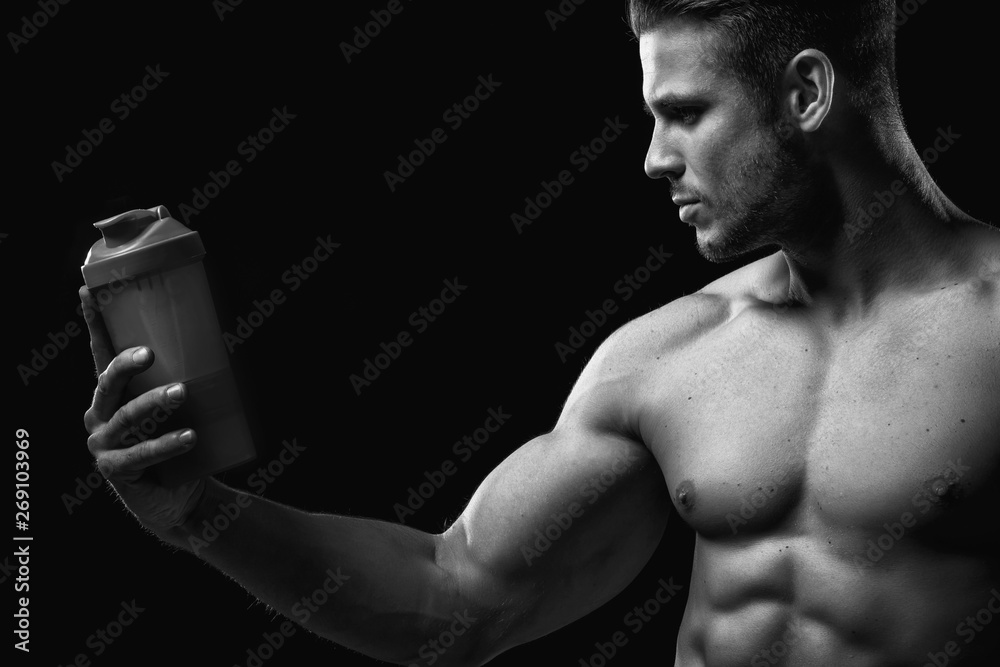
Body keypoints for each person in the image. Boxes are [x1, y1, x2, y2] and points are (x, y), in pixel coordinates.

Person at [81, 1, 1000, 664]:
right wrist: (201, 515)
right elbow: (455, 598)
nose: (653, 158)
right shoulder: (666, 361)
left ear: (805, 91)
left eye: (684, 113)